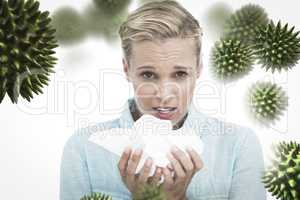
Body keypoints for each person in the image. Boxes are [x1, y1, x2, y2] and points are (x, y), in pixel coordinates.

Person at [60, 1, 267, 200]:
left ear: (199, 69)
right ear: (126, 69)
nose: (164, 94)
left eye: (179, 74)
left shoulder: (239, 146)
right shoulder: (83, 150)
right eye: (148, 75)